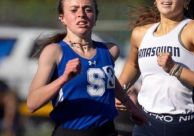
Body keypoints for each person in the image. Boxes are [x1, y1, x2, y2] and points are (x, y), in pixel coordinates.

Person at [26, 0, 146, 136]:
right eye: (74, 10)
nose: (81, 14)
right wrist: (64, 78)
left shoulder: (110, 50)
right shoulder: (54, 51)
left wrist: (131, 107)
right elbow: (32, 104)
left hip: (106, 131)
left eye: (87, 9)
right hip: (70, 132)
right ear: (62, 18)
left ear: (95, 17)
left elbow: (109, 81)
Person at [117, 0, 194, 135]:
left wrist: (175, 69)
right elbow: (133, 65)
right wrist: (119, 92)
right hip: (146, 125)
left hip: (183, 127)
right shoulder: (140, 34)